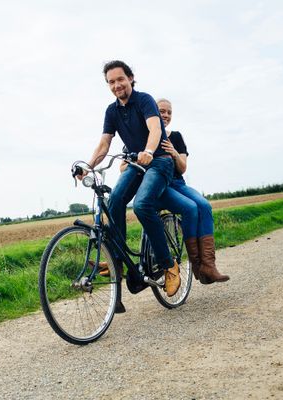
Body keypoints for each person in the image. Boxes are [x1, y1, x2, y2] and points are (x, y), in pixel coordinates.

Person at [79, 61, 181, 310]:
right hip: (136, 162)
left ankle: (169, 265)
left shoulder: (145, 100)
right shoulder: (111, 111)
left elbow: (155, 128)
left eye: (120, 79)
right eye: (111, 82)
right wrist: (88, 166)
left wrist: (148, 150)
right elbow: (104, 145)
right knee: (114, 200)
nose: (116, 85)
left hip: (158, 161)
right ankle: (118, 261)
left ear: (131, 78)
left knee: (143, 204)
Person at [155, 98, 229, 284]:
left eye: (169, 112)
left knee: (204, 205)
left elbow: (183, 168)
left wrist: (173, 151)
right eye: (161, 111)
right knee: (191, 208)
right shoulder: (147, 135)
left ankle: (209, 265)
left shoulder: (177, 137)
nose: (165, 115)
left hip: (178, 183)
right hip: (162, 186)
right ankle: (197, 265)